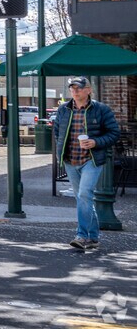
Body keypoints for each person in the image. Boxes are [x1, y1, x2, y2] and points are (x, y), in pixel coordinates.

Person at [53, 76, 121, 251]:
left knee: (84, 195)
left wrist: (95, 142)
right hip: (70, 160)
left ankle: (82, 236)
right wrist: (61, 152)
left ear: (88, 90)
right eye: (72, 88)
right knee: (82, 198)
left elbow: (114, 133)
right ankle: (94, 238)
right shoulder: (63, 110)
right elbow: (57, 132)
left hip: (91, 160)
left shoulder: (101, 109)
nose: (75, 91)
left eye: (79, 88)